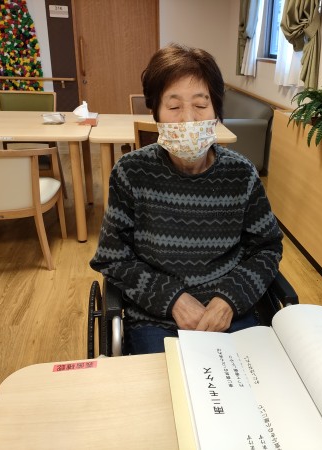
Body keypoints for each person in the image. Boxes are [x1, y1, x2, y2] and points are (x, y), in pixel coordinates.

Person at [90, 43, 283, 355]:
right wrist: (173, 299)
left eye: (201, 105)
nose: (188, 119)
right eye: (174, 106)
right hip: (156, 318)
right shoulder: (132, 172)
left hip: (229, 314)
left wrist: (228, 299)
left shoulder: (241, 175)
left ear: (216, 111)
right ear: (155, 113)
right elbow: (113, 257)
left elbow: (266, 248)